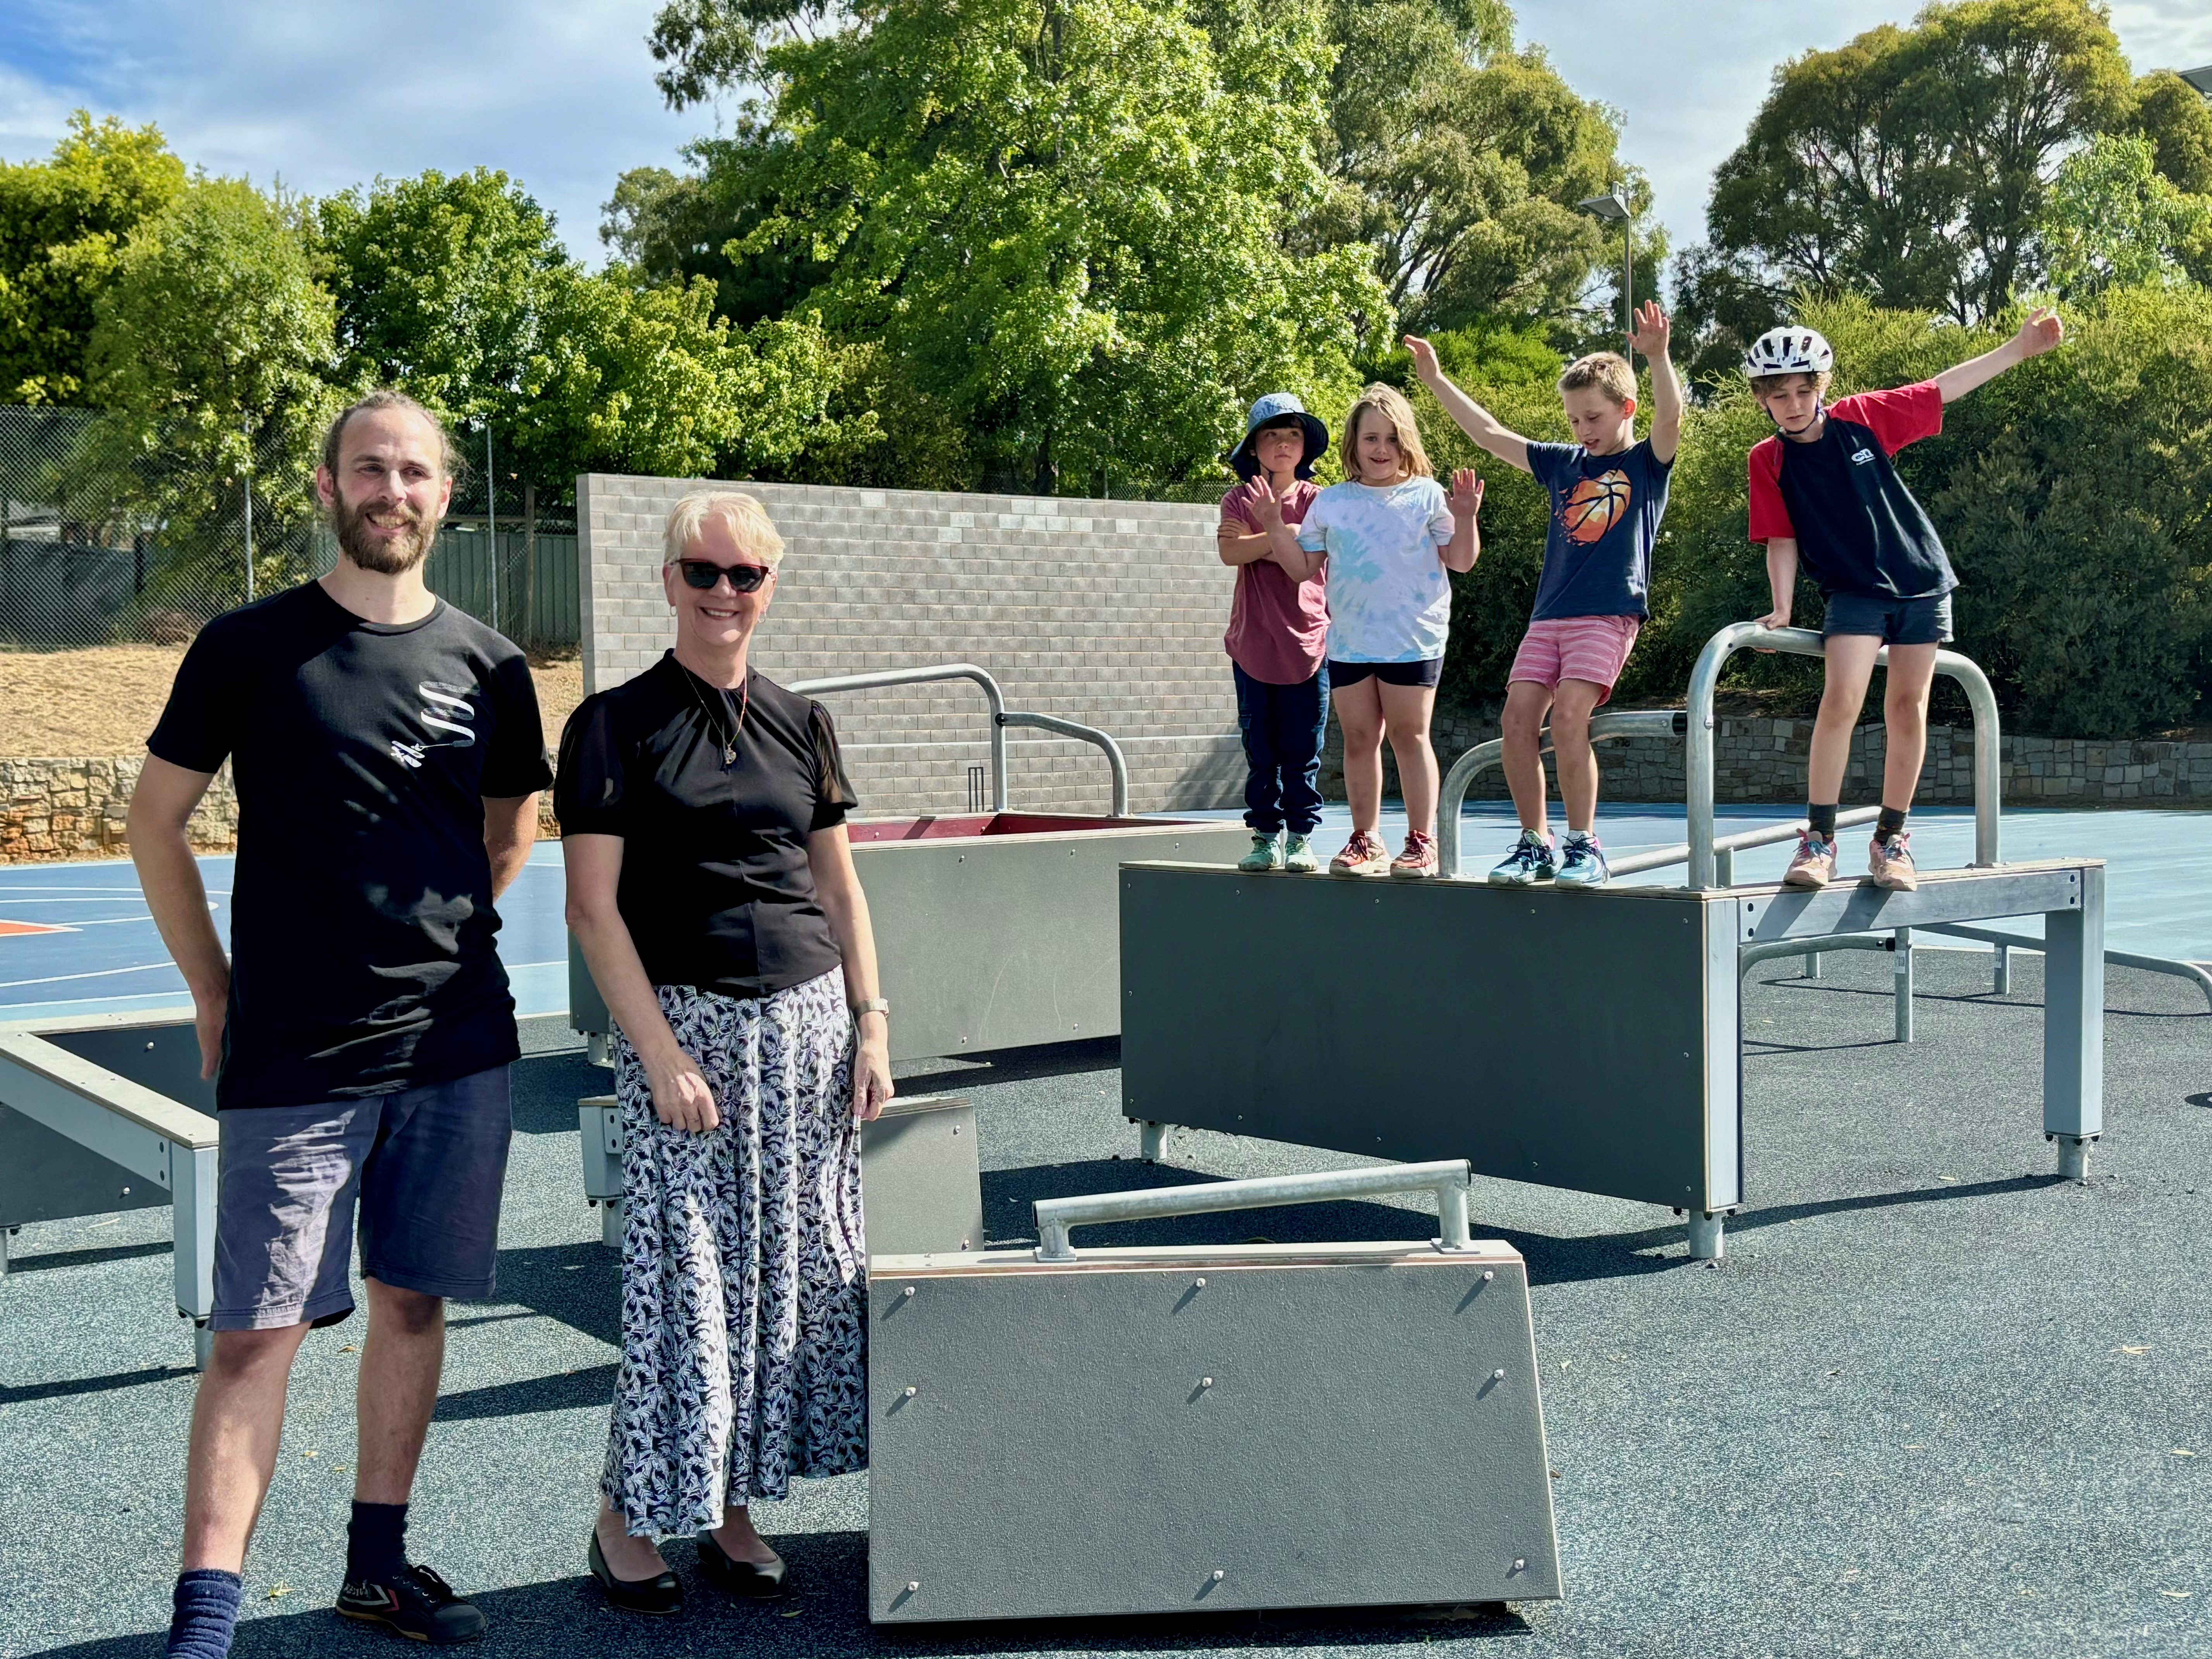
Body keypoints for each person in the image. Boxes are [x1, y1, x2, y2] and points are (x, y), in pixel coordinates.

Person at [130, 390, 551, 1657]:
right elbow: (156, 822)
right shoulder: (250, 648)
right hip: (294, 1055)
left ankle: (376, 1569)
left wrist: (433, 945)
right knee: (257, 1334)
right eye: (369, 468)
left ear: (444, 497)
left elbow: (510, 831)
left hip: (457, 1048)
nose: (392, 489)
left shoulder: (491, 664)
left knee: (411, 1305)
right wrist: (213, 986)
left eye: (415, 471)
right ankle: (204, 1628)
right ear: (327, 488)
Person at [557, 489, 894, 1616]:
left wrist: (872, 1022)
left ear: (769, 587)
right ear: (667, 583)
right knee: (684, 1296)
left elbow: (839, 886)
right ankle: (623, 1520)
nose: (721, 593)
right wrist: (655, 1054)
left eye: (743, 576)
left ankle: (733, 1510)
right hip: (686, 1038)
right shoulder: (611, 724)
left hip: (806, 1036)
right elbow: (594, 912)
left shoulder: (805, 722)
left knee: (778, 1292)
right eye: (701, 573)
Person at [1746, 309, 2064, 891]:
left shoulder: (1860, 419)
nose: (1792, 403)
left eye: (1803, 389)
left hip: (1921, 578)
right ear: (1764, 401)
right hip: (1854, 590)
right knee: (1840, 701)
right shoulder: (1767, 460)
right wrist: (1783, 607)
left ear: (1822, 387)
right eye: (1779, 395)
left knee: (1907, 707)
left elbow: (1940, 390)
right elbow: (1782, 537)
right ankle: (1817, 843)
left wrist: (2015, 350)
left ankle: (1891, 841)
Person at [1408, 306, 1683, 890]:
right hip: (1549, 615)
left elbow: (1672, 420)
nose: (1582, 429)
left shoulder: (1645, 465)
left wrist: (1658, 357)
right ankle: (1536, 843)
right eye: (1574, 419)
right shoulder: (1563, 465)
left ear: (1625, 409)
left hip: (1607, 614)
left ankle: (1585, 845)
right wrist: (1435, 380)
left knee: (1570, 717)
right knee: (1515, 720)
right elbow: (1489, 434)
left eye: (1593, 417)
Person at [1275, 384, 1480, 879]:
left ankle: (1421, 841)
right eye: (1370, 438)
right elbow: (1302, 569)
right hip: (1350, 641)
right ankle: (1366, 839)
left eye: (1391, 438)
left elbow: (1462, 561)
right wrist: (1273, 524)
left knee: (1410, 736)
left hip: (1412, 639)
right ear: (1354, 443)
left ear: (1406, 441)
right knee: (1361, 739)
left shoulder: (1429, 495)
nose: (1381, 449)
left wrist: (1467, 517)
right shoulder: (1331, 502)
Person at [1216, 392, 1331, 874]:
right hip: (1252, 646)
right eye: (1271, 434)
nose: (1283, 444)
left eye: (1293, 434)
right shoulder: (1237, 498)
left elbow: (1312, 560)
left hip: (1309, 644)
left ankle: (1301, 837)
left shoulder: (1321, 500)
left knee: (1304, 750)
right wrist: (1281, 533)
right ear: (1254, 446)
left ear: (1305, 446)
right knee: (1260, 749)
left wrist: (1263, 538)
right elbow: (1230, 553)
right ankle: (1266, 836)